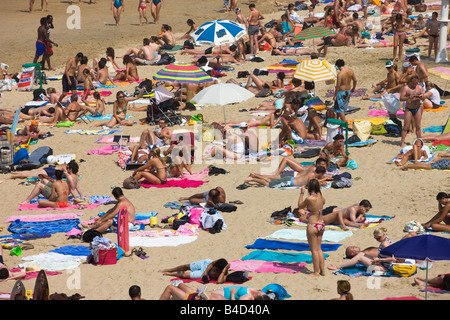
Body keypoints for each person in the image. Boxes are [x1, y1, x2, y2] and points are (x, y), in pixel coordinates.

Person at [328, 229, 396, 272]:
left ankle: (338, 267)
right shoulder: (386, 240)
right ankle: (339, 266)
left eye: (378, 239)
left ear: (382, 235)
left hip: (383, 268)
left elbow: (393, 258)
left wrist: (379, 260)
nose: (377, 240)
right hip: (380, 263)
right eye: (376, 239)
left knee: (359, 257)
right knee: (360, 254)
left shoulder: (385, 244)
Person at [298, 179, 325, 276]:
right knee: (319, 249)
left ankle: (316, 272)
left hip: (313, 225)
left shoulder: (309, 198)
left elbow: (300, 206)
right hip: (321, 224)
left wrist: (301, 193)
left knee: (314, 250)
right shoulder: (321, 197)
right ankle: (322, 271)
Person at [298, 200, 372, 231]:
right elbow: (354, 220)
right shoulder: (353, 209)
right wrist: (360, 216)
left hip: (335, 214)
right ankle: (345, 226)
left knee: (343, 219)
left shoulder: (357, 206)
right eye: (366, 210)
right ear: (362, 207)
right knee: (317, 217)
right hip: (331, 211)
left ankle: (358, 226)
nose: (366, 212)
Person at [244, 166, 327, 188]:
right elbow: (312, 184)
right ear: (320, 173)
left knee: (270, 180)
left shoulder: (311, 172)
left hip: (289, 179)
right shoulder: (312, 177)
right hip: (288, 182)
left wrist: (322, 181)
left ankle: (255, 175)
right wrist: (322, 184)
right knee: (269, 184)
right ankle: (252, 178)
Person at [159, 258, 230, 284]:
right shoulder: (219, 261)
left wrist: (224, 270)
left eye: (216, 270)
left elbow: (219, 281)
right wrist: (205, 272)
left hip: (205, 273)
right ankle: (170, 269)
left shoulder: (224, 273)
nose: (214, 269)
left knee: (185, 275)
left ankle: (170, 274)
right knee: (186, 266)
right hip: (205, 264)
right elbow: (212, 263)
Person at [399, 75, 424, 148]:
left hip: (417, 107)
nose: (414, 85)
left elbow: (423, 98)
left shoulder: (419, 87)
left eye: (416, 83)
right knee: (406, 126)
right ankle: (402, 142)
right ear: (410, 82)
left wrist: (421, 96)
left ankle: (419, 141)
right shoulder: (406, 88)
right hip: (409, 108)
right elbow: (401, 98)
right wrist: (408, 97)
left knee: (418, 126)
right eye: (413, 83)